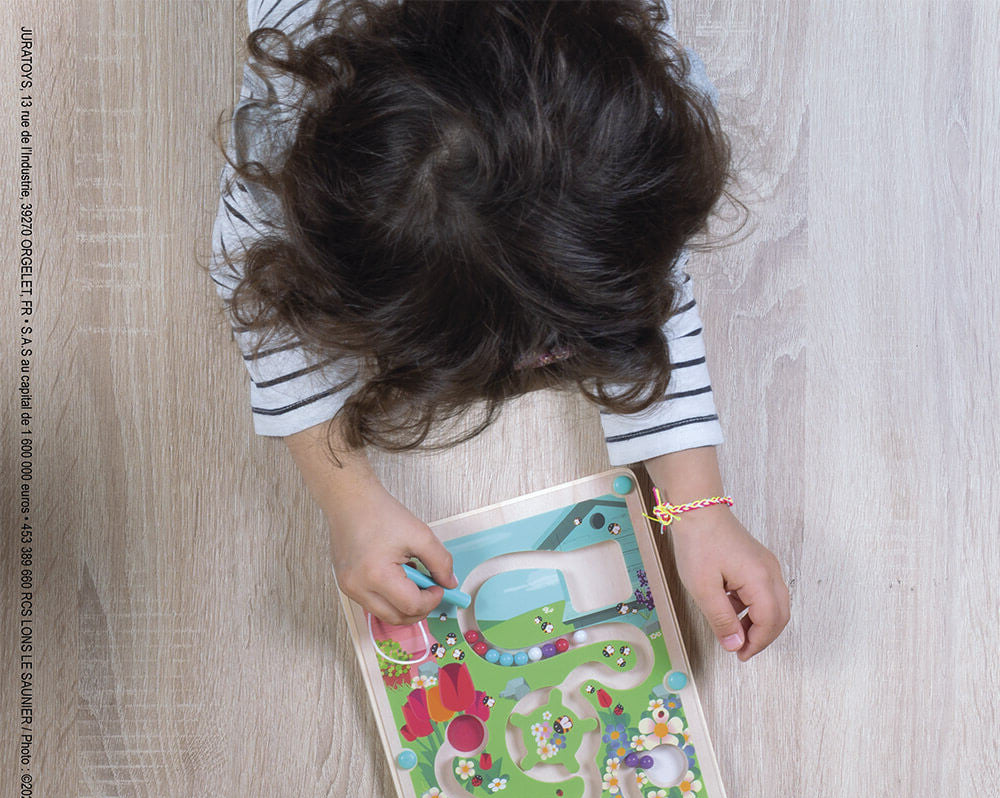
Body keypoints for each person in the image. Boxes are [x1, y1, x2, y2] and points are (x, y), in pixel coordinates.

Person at [209, 0, 790, 662]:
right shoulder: (286, 127)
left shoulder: (638, 120)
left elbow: (645, 281)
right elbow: (251, 282)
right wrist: (348, 500)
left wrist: (696, 508)